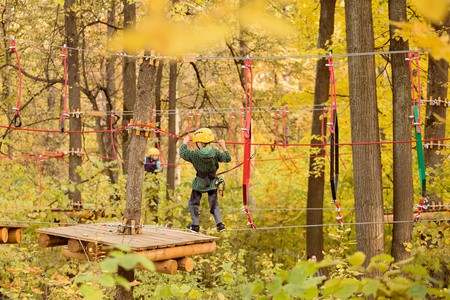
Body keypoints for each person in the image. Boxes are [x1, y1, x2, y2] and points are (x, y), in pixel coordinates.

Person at [180, 128, 231, 233]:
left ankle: (195, 226)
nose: (196, 144)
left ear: (201, 143)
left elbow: (183, 153)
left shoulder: (194, 154)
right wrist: (223, 145)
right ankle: (220, 225)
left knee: (193, 204)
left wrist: (184, 143)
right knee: (214, 204)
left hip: (199, 183)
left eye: (197, 142)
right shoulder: (216, 152)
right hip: (212, 183)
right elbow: (227, 158)